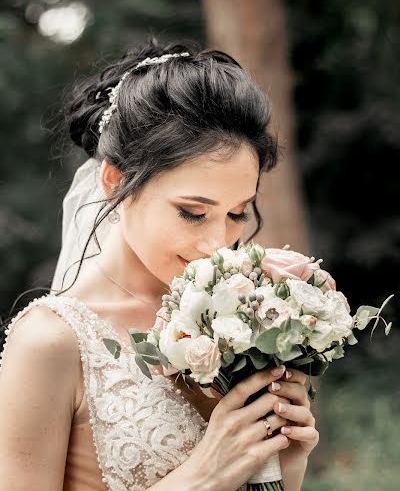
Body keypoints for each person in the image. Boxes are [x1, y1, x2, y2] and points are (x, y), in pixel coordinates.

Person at [0, 39, 319, 491]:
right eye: (192, 211)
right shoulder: (51, 342)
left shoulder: (235, 315)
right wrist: (201, 477)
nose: (217, 244)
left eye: (236, 213)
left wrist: (284, 461)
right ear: (115, 182)